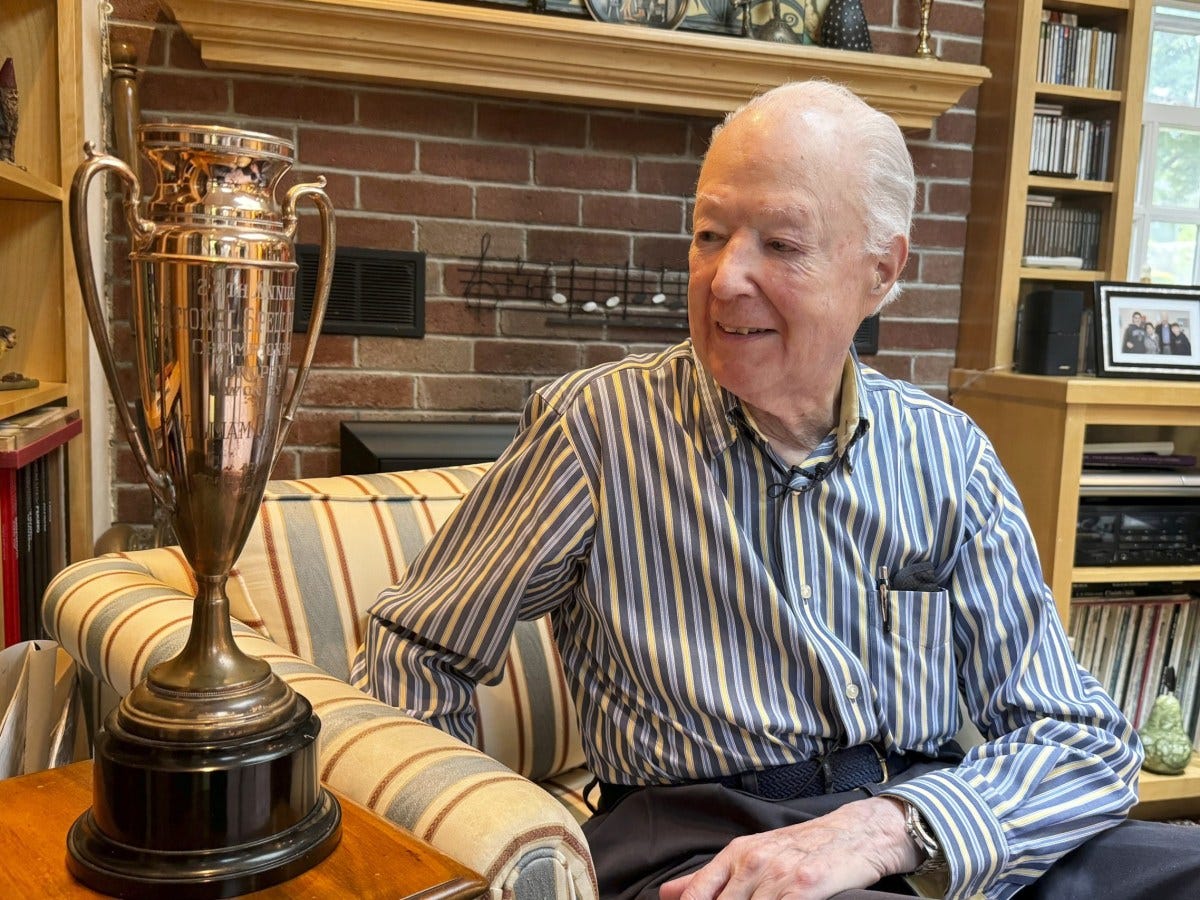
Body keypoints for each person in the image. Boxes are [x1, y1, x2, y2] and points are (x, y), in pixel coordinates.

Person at [352, 81, 1200, 899]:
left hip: (919, 825)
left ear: (881, 270)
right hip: (696, 842)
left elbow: (1081, 738)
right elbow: (414, 646)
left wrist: (891, 827)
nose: (724, 281)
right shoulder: (598, 431)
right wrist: (479, 844)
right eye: (710, 235)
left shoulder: (949, 456)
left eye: (781, 245)